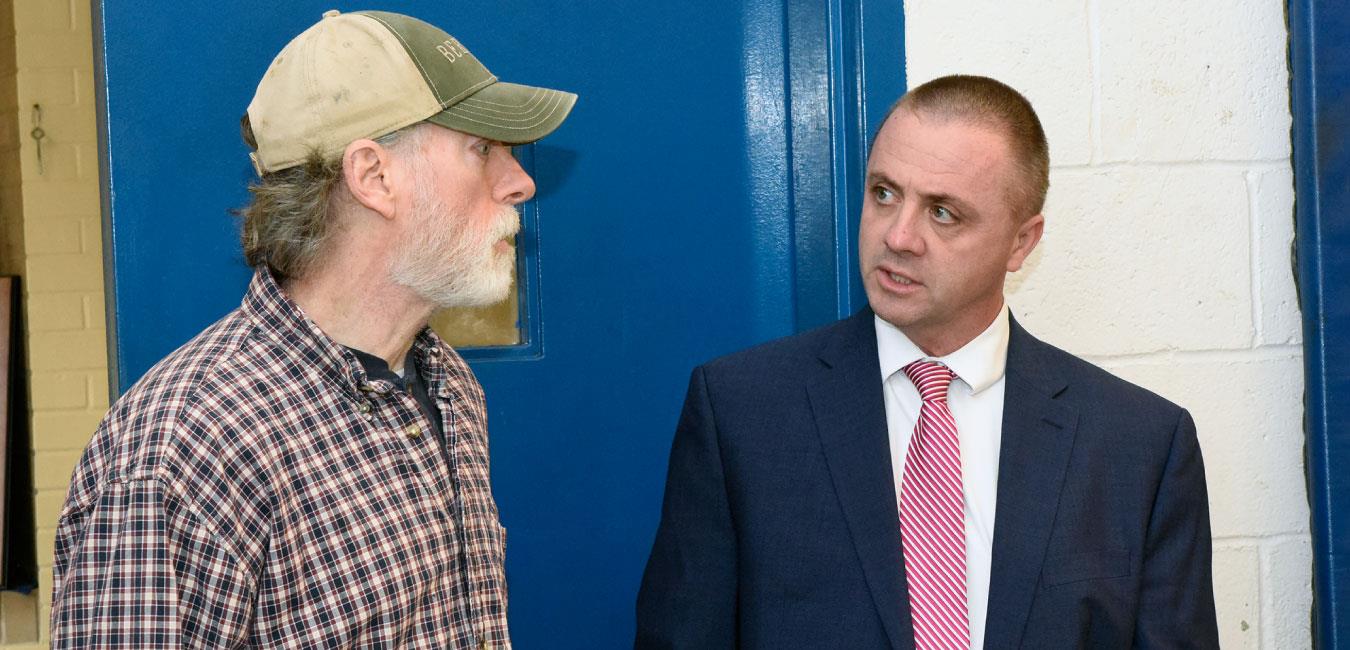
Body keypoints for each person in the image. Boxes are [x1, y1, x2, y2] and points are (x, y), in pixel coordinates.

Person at [50, 9, 574, 648]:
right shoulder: (182, 448)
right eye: (482, 149)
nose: (519, 183)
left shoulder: (447, 387)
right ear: (374, 177)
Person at [636, 75, 1218, 649]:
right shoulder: (741, 412)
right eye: (884, 193)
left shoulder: (1139, 445)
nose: (899, 236)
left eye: (943, 213)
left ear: (1022, 242)